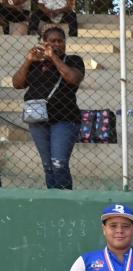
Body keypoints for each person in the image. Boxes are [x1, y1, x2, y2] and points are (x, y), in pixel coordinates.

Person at [12, 26, 83, 190]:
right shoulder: (36, 64)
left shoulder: (73, 60)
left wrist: (54, 58)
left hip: (65, 119)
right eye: (52, 41)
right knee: (48, 165)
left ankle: (65, 200)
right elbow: (17, 83)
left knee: (59, 163)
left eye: (60, 41)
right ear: (44, 43)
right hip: (37, 119)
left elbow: (73, 78)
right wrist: (28, 61)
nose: (57, 44)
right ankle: (53, 199)